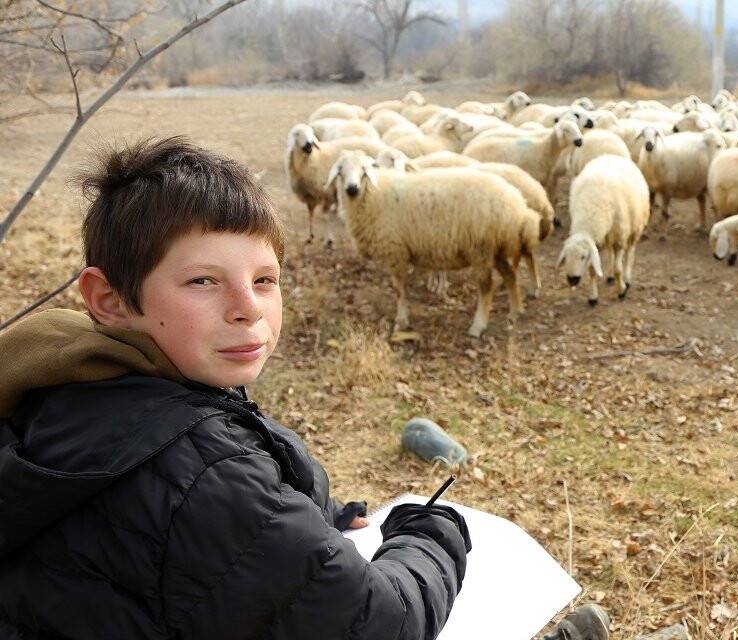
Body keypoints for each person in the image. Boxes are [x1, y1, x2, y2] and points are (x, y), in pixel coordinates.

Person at [0, 137, 469, 639]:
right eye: (204, 280)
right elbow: (383, 625)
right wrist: (429, 532)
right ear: (110, 299)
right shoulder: (206, 472)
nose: (247, 307)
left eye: (265, 279)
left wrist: (318, 519)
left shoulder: (65, 384)